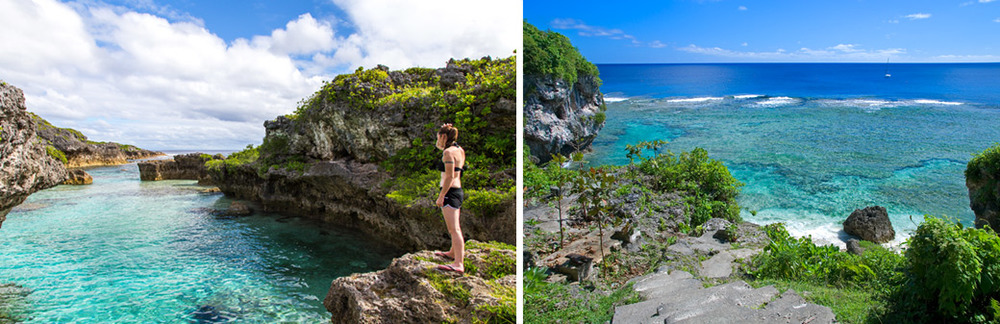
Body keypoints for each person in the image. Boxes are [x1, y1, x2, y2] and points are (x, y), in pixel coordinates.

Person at [433, 123, 466, 273]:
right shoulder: (459, 150)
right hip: (457, 191)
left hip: (450, 192)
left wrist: (441, 196)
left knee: (454, 229)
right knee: (455, 227)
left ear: (443, 137)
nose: (437, 139)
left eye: (438, 136)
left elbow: (449, 176)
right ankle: (453, 253)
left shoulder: (448, 153)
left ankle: (459, 263)